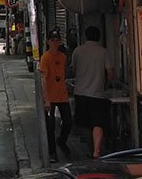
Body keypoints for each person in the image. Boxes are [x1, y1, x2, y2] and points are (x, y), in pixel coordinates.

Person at [70, 25, 114, 159]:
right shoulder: (103, 52)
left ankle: (90, 147)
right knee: (98, 123)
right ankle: (96, 151)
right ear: (99, 37)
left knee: (84, 123)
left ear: (85, 36)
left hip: (80, 92)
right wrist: (106, 84)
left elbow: (73, 70)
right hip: (97, 93)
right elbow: (110, 72)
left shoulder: (78, 51)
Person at [40, 29, 72, 162]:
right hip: (50, 96)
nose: (54, 42)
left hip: (62, 95)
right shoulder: (45, 58)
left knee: (68, 121)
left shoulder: (63, 57)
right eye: (52, 40)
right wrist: (46, 99)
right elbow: (43, 79)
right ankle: (52, 152)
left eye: (57, 40)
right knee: (50, 126)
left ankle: (61, 141)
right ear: (48, 42)